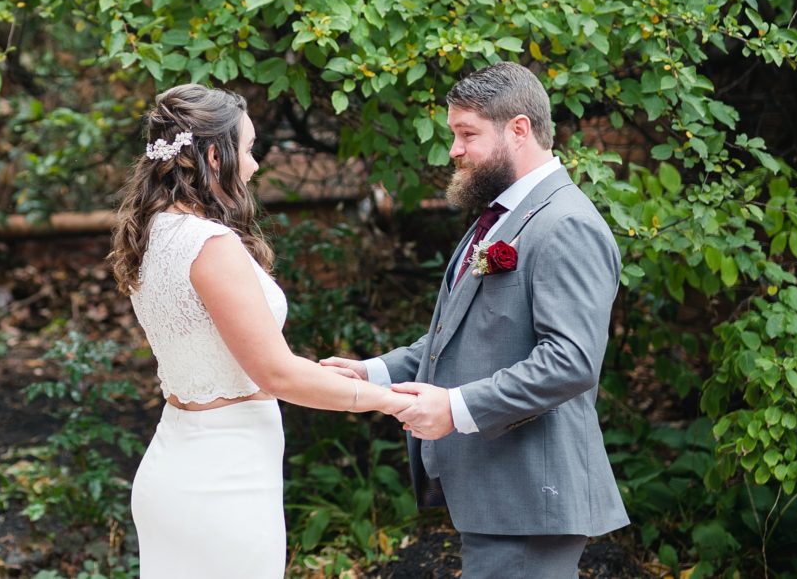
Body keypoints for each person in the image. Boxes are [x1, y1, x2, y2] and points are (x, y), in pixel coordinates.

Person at [322, 62, 630, 578]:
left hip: (530, 497)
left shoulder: (566, 224)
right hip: (502, 496)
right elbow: (464, 337)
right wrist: (373, 372)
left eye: (467, 134)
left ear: (519, 129)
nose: (454, 150)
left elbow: (571, 362)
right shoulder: (500, 218)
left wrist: (455, 408)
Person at [107, 84, 413, 579]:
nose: (253, 166)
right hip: (223, 485)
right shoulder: (209, 244)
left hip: (181, 466)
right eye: (248, 150)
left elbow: (230, 353)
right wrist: (388, 400)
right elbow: (276, 373)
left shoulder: (154, 231)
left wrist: (338, 376)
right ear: (214, 156)